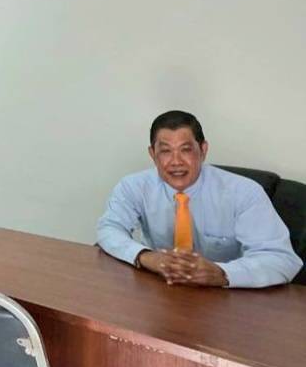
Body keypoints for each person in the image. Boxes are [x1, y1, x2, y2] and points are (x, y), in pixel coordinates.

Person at [97, 110, 302, 288]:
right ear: (153, 154)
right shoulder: (134, 186)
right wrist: (146, 257)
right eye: (165, 151)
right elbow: (109, 228)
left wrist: (222, 273)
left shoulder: (244, 192)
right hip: (162, 289)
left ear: (203, 150)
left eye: (185, 150)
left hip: (228, 296)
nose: (176, 161)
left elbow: (281, 259)